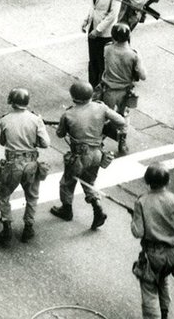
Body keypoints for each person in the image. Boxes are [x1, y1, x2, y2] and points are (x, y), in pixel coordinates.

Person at [50, 80, 128, 229]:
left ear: (73, 97)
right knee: (89, 181)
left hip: (79, 156)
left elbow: (60, 134)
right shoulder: (101, 107)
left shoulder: (68, 114)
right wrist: (104, 127)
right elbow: (121, 121)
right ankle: (97, 206)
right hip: (98, 153)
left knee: (67, 183)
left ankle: (66, 210)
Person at [131, 163, 174, 319]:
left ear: (147, 181)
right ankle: (164, 313)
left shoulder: (141, 201)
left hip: (153, 254)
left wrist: (134, 219)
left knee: (149, 288)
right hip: (173, 254)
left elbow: (137, 231)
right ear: (167, 181)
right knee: (163, 279)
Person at [0, 87, 50, 245]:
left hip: (12, 164)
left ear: (11, 101)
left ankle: (6, 228)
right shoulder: (36, 120)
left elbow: (2, 142)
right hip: (31, 164)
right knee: (31, 196)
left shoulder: (5, 120)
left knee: (4, 195)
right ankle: (28, 228)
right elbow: (45, 143)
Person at [84, 0, 123, 87]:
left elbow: (113, 14)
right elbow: (93, 4)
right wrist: (87, 19)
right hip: (93, 27)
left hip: (104, 33)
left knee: (102, 63)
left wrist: (98, 30)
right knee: (92, 61)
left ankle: (100, 90)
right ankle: (91, 87)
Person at [97, 22, 144, 119]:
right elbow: (143, 76)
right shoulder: (134, 55)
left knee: (106, 117)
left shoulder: (107, 48)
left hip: (108, 91)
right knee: (122, 119)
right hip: (124, 93)